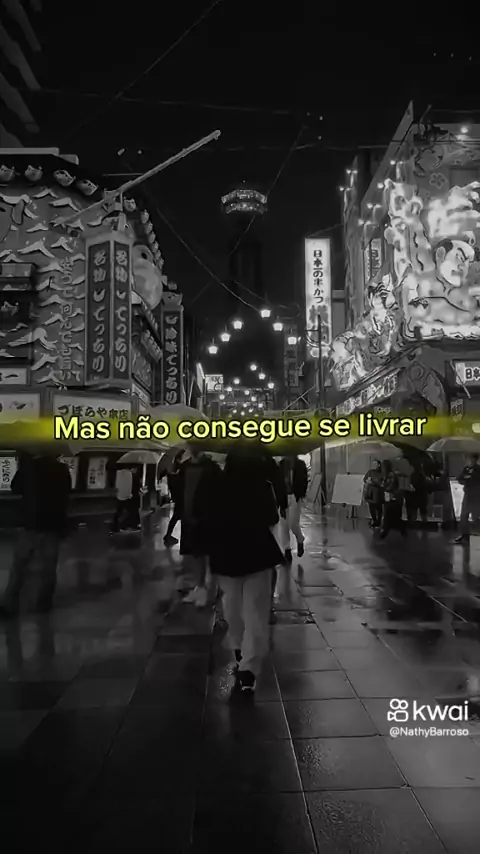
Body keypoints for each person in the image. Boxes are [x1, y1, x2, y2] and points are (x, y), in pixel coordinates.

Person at [209, 451, 284, 693]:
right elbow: (272, 518)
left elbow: (208, 518)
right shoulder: (263, 485)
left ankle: (241, 649)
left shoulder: (217, 485)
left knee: (232, 607)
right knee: (256, 612)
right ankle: (249, 667)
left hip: (226, 554)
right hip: (258, 553)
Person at [0, 450, 71, 616]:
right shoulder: (61, 469)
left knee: (19, 566)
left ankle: (10, 603)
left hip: (31, 523)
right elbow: (66, 492)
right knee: (49, 567)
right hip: (53, 523)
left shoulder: (29, 467)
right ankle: (44, 603)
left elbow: (15, 487)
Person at [177, 447, 222, 607]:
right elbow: (180, 490)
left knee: (209, 553)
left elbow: (218, 493)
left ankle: (211, 588)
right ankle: (200, 586)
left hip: (207, 517)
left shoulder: (212, 468)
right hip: (189, 516)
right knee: (196, 553)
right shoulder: (185, 467)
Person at [278, 455, 308, 560]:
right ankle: (287, 549)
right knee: (284, 525)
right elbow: (277, 482)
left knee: (293, 523)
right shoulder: (281, 465)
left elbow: (304, 480)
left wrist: (301, 493)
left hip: (295, 496)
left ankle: (300, 539)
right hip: (283, 497)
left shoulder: (300, 465)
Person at [454, 454, 480, 544]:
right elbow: (459, 478)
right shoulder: (466, 468)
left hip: (476, 496)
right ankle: (464, 535)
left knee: (475, 516)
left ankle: (477, 535)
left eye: (472, 459)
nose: (470, 461)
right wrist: (466, 477)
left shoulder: (478, 469)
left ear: (475, 460)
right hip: (467, 494)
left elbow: (475, 479)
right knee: (463, 516)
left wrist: (469, 477)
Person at [380, 460, 407, 539]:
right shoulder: (390, 475)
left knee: (388, 514)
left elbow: (390, 486)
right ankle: (401, 530)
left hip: (391, 497)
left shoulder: (390, 475)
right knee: (393, 515)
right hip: (393, 498)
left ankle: (385, 531)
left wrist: (383, 487)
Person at [163, 450, 185, 547]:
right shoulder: (180, 471)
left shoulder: (173, 471)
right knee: (177, 517)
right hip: (181, 497)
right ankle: (168, 536)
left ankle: (168, 535)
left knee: (176, 517)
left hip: (178, 497)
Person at [111, 466, 133, 533]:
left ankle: (115, 526)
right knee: (128, 511)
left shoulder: (119, 473)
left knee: (119, 511)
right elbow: (128, 485)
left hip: (119, 494)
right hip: (125, 495)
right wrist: (129, 494)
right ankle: (122, 526)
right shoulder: (128, 474)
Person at [363, 459, 384, 528]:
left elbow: (382, 483)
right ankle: (374, 521)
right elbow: (365, 479)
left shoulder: (382, 473)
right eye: (373, 464)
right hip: (370, 492)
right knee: (371, 508)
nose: (373, 465)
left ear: (379, 465)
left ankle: (378, 522)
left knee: (379, 508)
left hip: (378, 492)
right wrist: (367, 481)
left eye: (375, 464)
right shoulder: (370, 472)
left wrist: (374, 483)